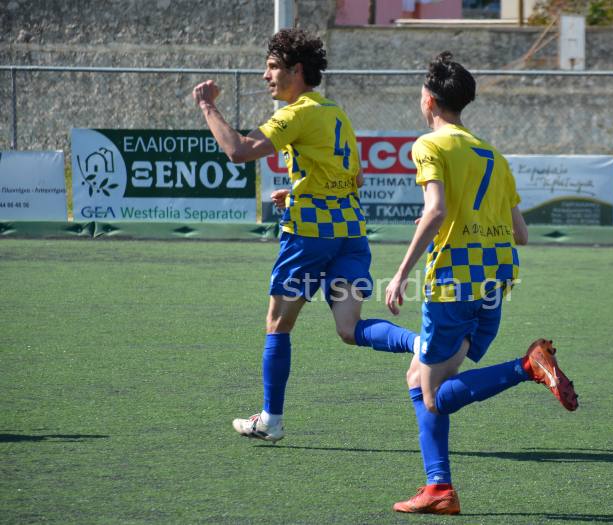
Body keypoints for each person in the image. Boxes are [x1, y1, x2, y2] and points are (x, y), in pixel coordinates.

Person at [192, 28, 418, 444]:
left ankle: (271, 419)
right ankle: (419, 344)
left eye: (272, 67)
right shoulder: (335, 112)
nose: (266, 76)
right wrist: (298, 190)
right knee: (349, 328)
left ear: (296, 70)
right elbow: (354, 178)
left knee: (278, 325)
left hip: (309, 238)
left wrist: (207, 106)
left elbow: (239, 150)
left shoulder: (296, 114)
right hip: (350, 233)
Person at [384, 52, 579, 515]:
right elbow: (520, 234)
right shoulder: (493, 154)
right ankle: (439, 489)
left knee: (432, 396)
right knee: (419, 376)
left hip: (453, 283)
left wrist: (401, 273)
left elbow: (436, 211)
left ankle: (527, 367)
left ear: (429, 99)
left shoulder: (429, 145)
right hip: (494, 283)